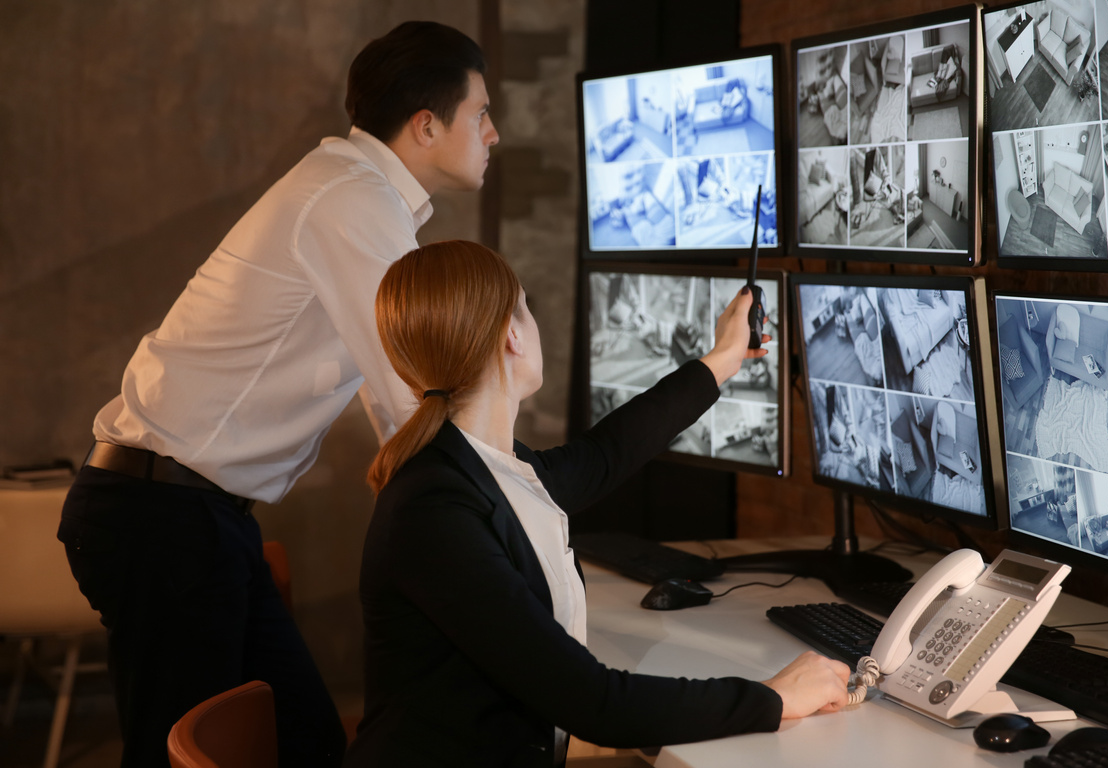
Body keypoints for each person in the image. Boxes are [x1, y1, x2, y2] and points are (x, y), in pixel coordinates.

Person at [56, 21, 498, 768]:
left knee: (304, 744)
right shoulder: (353, 200)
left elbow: (395, 395)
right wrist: (501, 521)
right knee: (189, 755)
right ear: (427, 125)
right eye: (481, 112)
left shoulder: (355, 195)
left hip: (189, 516)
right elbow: (413, 389)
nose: (493, 133)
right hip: (164, 517)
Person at [346, 240, 851, 767]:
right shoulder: (434, 510)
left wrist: (723, 358)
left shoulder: (489, 470)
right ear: (511, 336)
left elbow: (609, 452)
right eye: (526, 307)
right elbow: (594, 703)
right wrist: (774, 697)